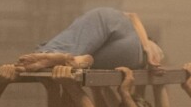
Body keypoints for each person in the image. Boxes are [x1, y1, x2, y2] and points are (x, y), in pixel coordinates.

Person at [17, 7, 163, 72]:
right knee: (89, 59)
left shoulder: (140, 36)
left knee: (94, 20)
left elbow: (133, 16)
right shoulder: (153, 54)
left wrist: (146, 45)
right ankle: (75, 61)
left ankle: (47, 52)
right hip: (132, 59)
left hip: (115, 26)